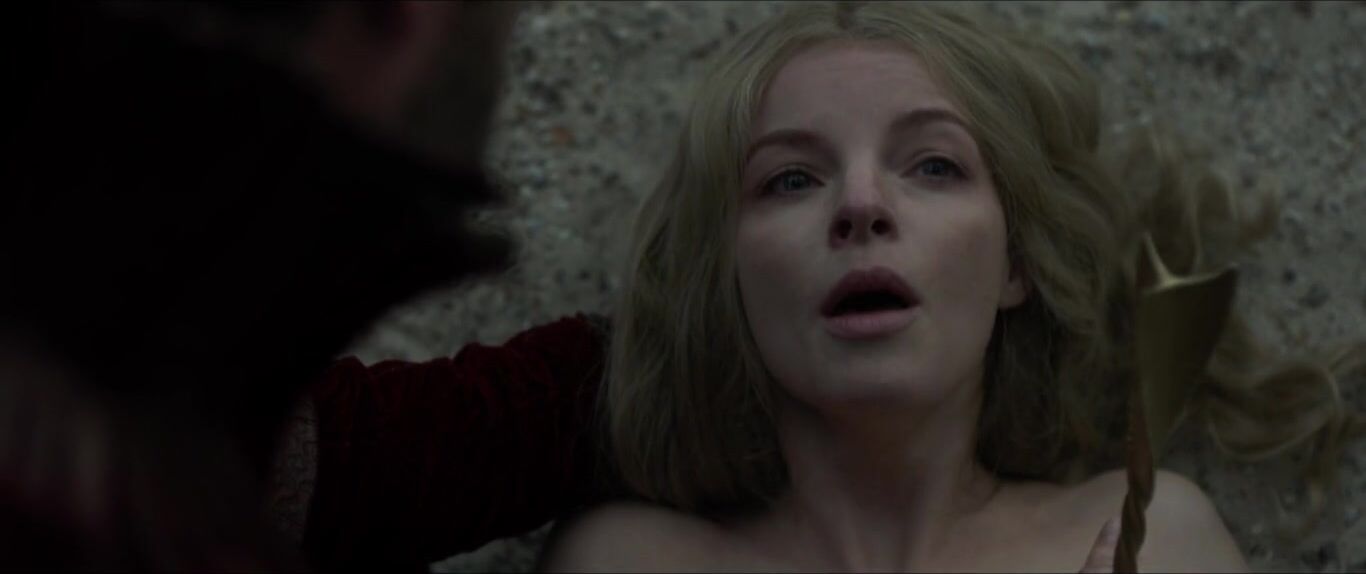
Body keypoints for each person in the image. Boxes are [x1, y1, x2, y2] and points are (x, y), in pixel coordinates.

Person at [537, 2, 1364, 572]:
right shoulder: (624, 560)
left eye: (934, 165)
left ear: (1015, 266)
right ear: (730, 275)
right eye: (790, 179)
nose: (861, 204)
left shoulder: (1149, 541)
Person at [0, 2, 613, 570]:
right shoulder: (99, 488)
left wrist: (627, 378)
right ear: (398, 18)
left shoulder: (136, 416)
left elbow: (360, 465)